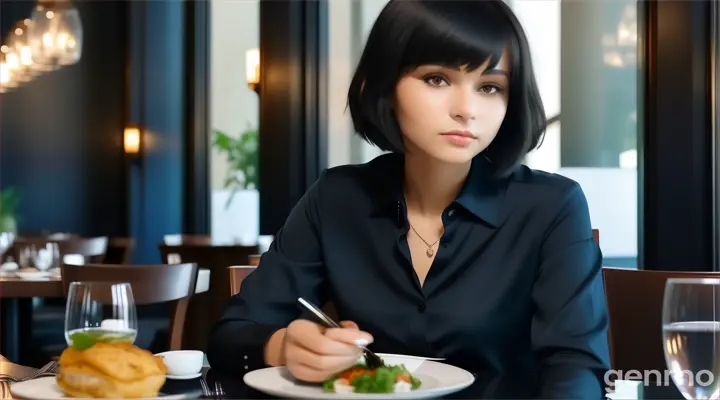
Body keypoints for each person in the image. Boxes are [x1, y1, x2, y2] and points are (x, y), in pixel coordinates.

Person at [207, 0, 610, 398]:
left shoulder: (552, 205)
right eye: (437, 79)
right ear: (384, 85)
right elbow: (231, 336)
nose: (466, 110)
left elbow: (576, 369)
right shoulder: (335, 199)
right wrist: (283, 346)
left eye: (490, 87)